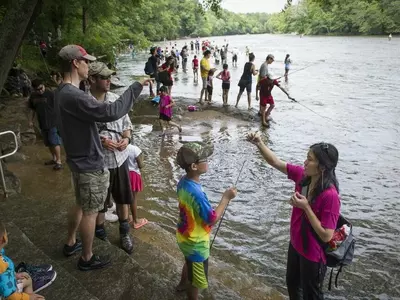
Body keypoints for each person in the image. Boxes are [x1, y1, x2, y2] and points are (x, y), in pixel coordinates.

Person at [55, 44, 151, 271]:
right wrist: (136, 86)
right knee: (90, 211)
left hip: (77, 159)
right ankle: (87, 258)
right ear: (75, 63)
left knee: (80, 203)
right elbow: (110, 112)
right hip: (89, 163)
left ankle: (71, 243)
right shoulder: (75, 95)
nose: (88, 65)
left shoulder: (60, 92)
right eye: (85, 61)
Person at [247, 132, 341, 300]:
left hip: (313, 255)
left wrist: (305, 207)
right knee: (292, 286)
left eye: (310, 159)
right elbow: (275, 162)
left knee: (311, 295)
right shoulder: (303, 177)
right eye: (307, 157)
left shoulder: (330, 196)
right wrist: (259, 143)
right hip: (296, 245)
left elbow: (326, 235)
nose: (305, 162)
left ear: (322, 167)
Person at [175, 143, 237, 300]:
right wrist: (226, 198)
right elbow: (211, 219)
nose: (208, 160)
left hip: (184, 236)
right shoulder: (197, 193)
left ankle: (182, 284)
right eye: (205, 159)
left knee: (188, 262)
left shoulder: (183, 181)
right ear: (194, 166)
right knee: (196, 281)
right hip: (196, 243)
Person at [87, 61, 135, 254]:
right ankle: (101, 235)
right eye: (104, 77)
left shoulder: (116, 99)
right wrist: (100, 141)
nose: (109, 80)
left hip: (120, 159)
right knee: (100, 203)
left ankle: (124, 233)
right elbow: (80, 134)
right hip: (99, 162)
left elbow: (127, 124)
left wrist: (126, 138)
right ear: (92, 79)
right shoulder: (84, 103)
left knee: (123, 198)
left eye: (109, 77)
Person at [0, 222, 56, 300]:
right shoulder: (1, 265)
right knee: (29, 280)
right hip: (6, 295)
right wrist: (28, 297)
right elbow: (10, 295)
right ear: (3, 239)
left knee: (25, 276)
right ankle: (29, 293)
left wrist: (14, 274)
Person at [28, 79, 63, 170]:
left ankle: (59, 161)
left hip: (52, 121)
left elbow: (59, 106)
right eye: (37, 90)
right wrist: (31, 120)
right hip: (42, 122)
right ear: (34, 89)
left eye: (41, 88)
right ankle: (54, 159)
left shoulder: (50, 94)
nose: (40, 91)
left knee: (54, 141)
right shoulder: (33, 96)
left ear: (43, 85)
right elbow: (32, 109)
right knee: (48, 142)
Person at [126, 144, 148, 229]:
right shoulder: (135, 149)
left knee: (125, 197)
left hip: (123, 173)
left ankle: (127, 217)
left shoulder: (119, 147)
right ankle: (135, 221)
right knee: (133, 198)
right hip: (133, 175)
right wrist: (143, 159)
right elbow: (141, 165)